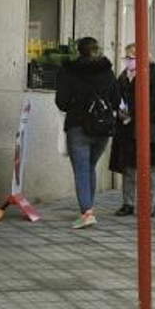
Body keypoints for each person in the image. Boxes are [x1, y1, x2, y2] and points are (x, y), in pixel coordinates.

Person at [55, 37, 119, 229]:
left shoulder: (68, 71)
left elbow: (62, 102)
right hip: (103, 128)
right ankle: (88, 209)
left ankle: (87, 212)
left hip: (78, 126)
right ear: (97, 50)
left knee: (82, 169)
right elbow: (116, 99)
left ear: (78, 51)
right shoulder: (107, 72)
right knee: (90, 166)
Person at [109, 44, 155, 216]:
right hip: (126, 127)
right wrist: (120, 112)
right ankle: (128, 203)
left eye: (131, 58)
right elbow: (116, 97)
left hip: (147, 125)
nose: (128, 61)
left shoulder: (154, 73)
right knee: (128, 166)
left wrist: (135, 113)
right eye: (126, 58)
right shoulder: (123, 76)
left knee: (149, 169)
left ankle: (149, 205)